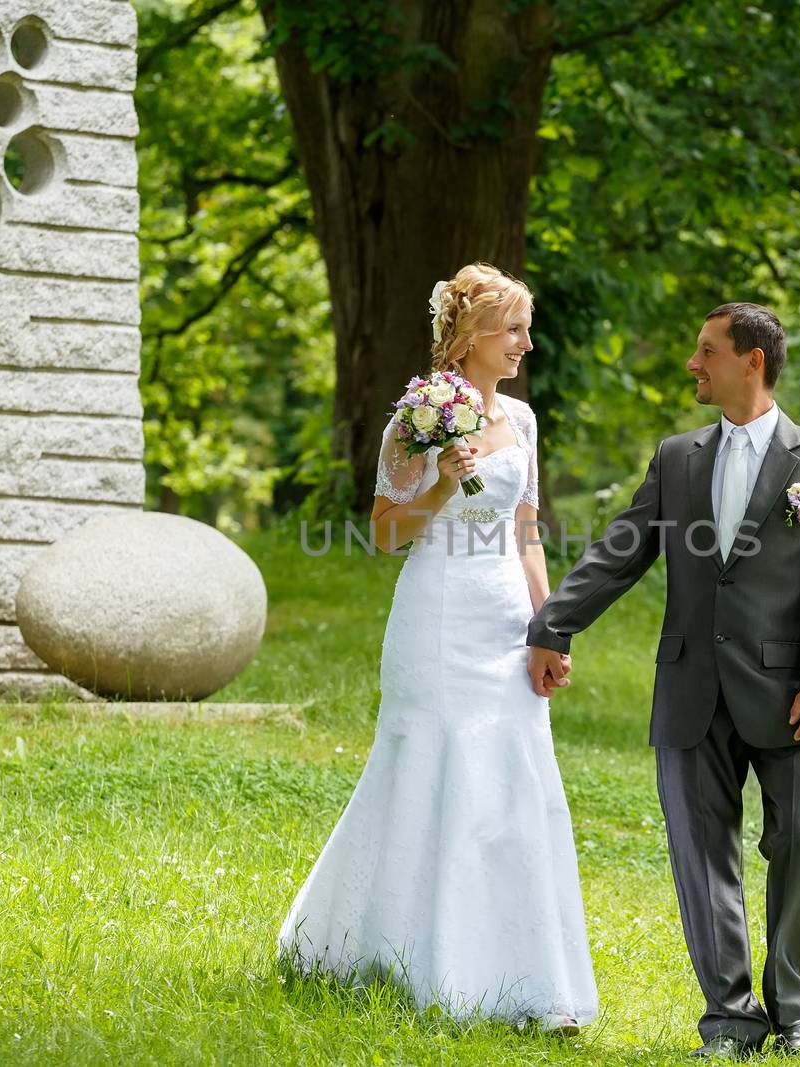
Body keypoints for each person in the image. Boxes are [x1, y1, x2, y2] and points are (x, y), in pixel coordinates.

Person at [526, 303, 800, 1060]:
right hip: (690, 689)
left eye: (706, 351)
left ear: (752, 360)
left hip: (790, 694)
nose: (692, 363)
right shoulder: (677, 456)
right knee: (700, 853)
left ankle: (794, 1010)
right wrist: (553, 622)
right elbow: (622, 548)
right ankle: (731, 1018)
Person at [277, 263, 597, 1034]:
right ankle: (415, 959)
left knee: (514, 779)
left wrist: (547, 629)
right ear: (472, 336)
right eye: (513, 329)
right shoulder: (415, 418)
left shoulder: (519, 421)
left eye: (524, 329)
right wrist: (442, 488)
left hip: (502, 621)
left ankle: (526, 979)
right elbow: (386, 533)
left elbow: (526, 534)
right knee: (432, 769)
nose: (525, 343)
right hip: (436, 616)